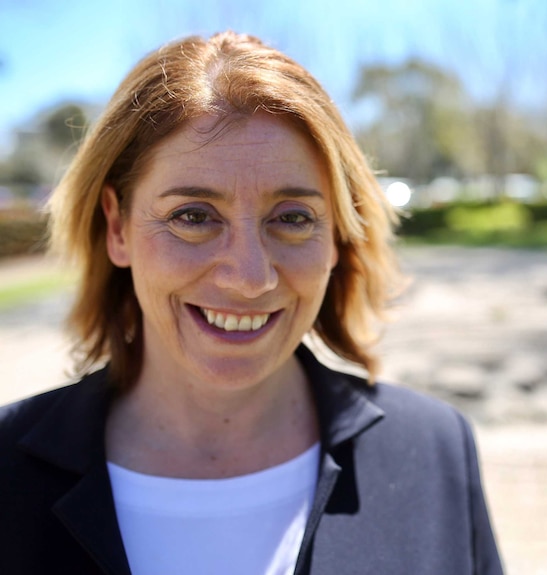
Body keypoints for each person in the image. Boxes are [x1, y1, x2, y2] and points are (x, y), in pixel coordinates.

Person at [0, 31, 503, 575]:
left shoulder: (434, 451)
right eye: (193, 216)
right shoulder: (7, 472)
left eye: (291, 218)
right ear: (117, 226)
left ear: (336, 234)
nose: (250, 278)